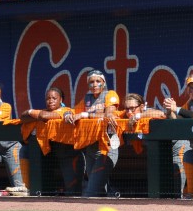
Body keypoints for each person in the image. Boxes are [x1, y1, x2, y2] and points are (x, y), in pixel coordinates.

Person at [63, 70, 121, 198]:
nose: (94, 84)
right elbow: (74, 111)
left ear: (103, 83)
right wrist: (67, 114)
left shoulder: (110, 94)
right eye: (91, 82)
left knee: (91, 191)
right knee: (99, 190)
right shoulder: (87, 98)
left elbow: (109, 113)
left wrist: (85, 114)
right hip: (91, 148)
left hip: (107, 147)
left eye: (98, 81)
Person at [19, 87, 82, 195]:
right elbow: (23, 117)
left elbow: (44, 116)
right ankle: (25, 188)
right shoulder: (44, 110)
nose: (50, 100)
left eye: (54, 98)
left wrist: (33, 113)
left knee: (72, 190)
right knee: (25, 150)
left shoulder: (66, 110)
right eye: (48, 98)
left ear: (61, 100)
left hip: (67, 154)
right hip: (50, 153)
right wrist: (31, 112)